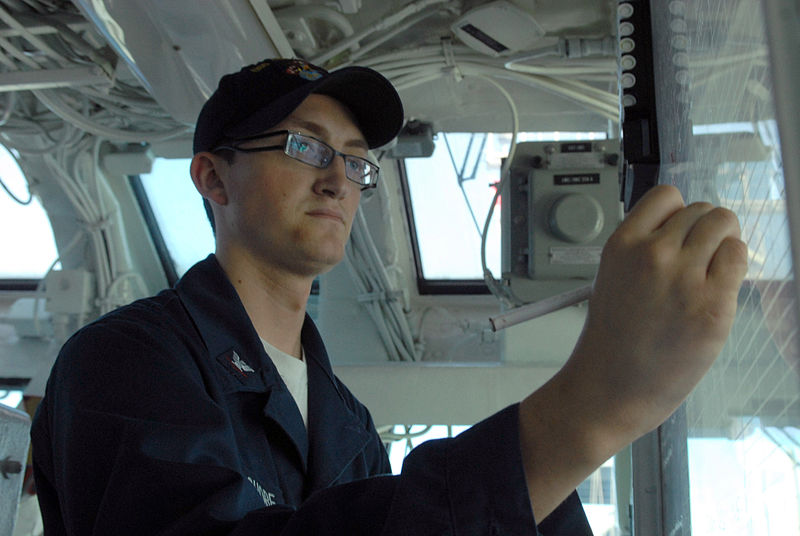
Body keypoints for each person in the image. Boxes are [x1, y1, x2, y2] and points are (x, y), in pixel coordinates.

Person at [30, 58, 748, 535]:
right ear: (214, 180)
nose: (339, 180)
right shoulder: (125, 359)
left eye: (355, 161)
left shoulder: (348, 422)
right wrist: (591, 407)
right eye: (305, 146)